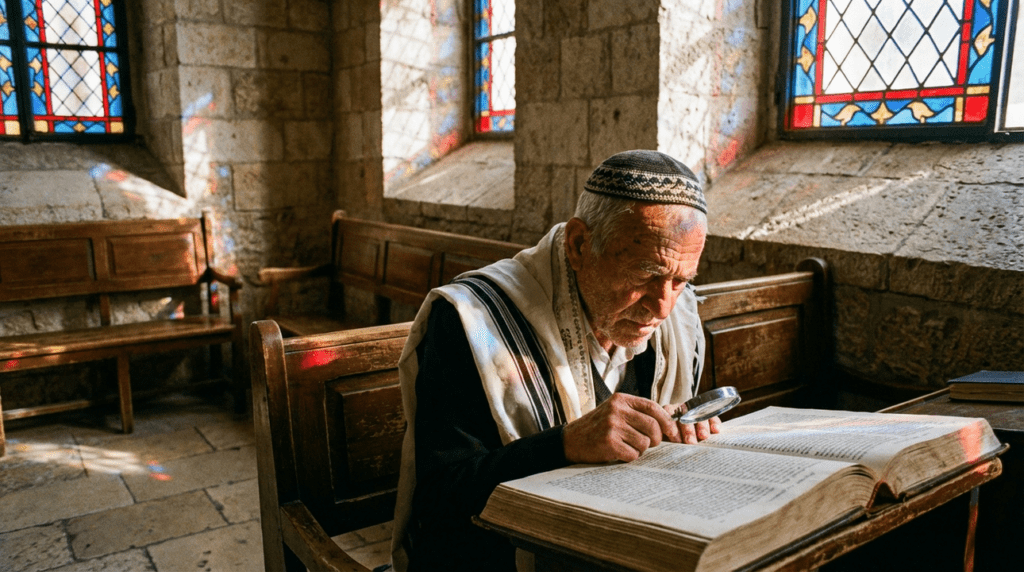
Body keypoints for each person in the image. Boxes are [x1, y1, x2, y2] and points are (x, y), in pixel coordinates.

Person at [390, 150, 719, 571]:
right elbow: (440, 499)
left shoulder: (678, 319)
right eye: (645, 274)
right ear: (579, 245)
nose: (663, 306)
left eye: (680, 280)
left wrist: (682, 426)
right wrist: (564, 445)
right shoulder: (472, 322)